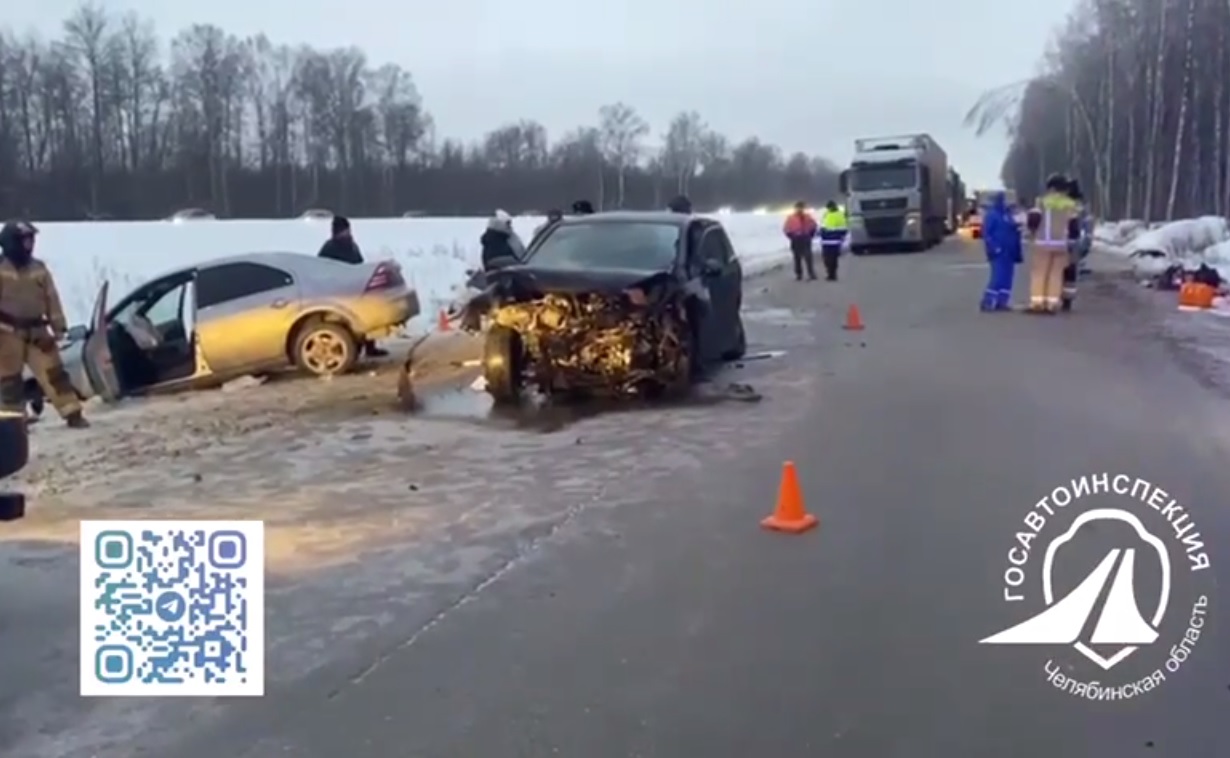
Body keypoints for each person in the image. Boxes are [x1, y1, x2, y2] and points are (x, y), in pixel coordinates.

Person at [0, 221, 89, 428]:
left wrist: (59, 327)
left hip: (38, 332)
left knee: (55, 374)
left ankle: (73, 413)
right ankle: (13, 424)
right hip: (6, 334)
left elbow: (52, 299)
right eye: (25, 240)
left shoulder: (39, 269)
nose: (30, 244)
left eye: (31, 240)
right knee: (9, 381)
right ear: (11, 243)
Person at [316, 216, 386, 356]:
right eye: (344, 230)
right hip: (338, 290)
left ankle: (370, 346)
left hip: (355, 286)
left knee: (367, 314)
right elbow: (321, 267)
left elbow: (359, 263)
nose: (347, 233)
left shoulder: (352, 245)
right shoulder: (330, 248)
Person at [1024, 173, 1078, 313]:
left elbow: (1033, 220)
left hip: (1043, 243)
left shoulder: (1042, 202)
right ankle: (1052, 303)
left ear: (1051, 188)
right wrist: (1071, 241)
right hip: (1061, 244)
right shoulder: (1070, 204)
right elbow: (1074, 226)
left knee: (1040, 273)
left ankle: (1037, 303)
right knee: (1056, 274)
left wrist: (1031, 232)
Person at [979, 192, 1023, 311]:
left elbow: (1012, 229)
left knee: (1007, 278)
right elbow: (987, 234)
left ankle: (1002, 302)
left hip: (1009, 251)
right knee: (998, 277)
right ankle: (987, 301)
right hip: (998, 251)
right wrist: (994, 247)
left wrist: (1017, 227)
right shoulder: (992, 215)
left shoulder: (1007, 214)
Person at [1060, 179, 1090, 312]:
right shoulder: (1081, 205)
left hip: (1065, 241)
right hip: (1076, 242)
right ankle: (1068, 300)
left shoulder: (1067, 204)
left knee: (1062, 270)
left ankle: (1061, 297)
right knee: (1071, 272)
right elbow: (1087, 224)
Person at [782, 201, 818, 281]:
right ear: (795, 208)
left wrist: (811, 234)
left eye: (801, 207)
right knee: (797, 258)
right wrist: (791, 236)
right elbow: (786, 229)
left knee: (808, 257)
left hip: (805, 238)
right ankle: (799, 274)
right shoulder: (790, 218)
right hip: (796, 239)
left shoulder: (808, 217)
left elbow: (814, 226)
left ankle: (811, 273)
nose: (800, 209)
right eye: (798, 208)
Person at [817, 200, 848, 281]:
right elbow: (822, 225)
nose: (829, 208)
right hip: (826, 241)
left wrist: (838, 234)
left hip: (835, 240)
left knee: (833, 259)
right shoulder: (826, 214)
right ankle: (830, 272)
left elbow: (844, 228)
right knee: (826, 259)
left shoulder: (839, 215)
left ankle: (832, 274)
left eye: (830, 207)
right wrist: (820, 232)